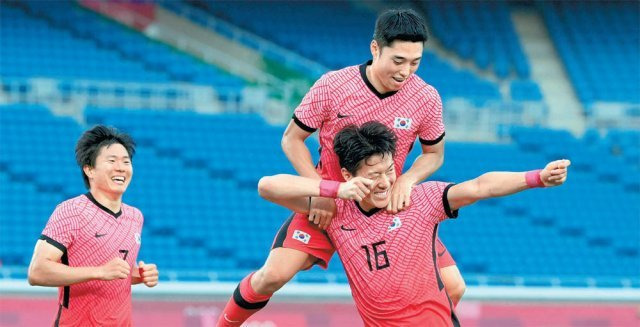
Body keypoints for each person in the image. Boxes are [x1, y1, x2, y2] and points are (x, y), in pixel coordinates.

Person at [217, 8, 464, 325]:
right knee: (272, 276)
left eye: (415, 62)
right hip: (330, 203)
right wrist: (320, 193)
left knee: (454, 286)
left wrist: (408, 181)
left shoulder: (426, 97)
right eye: (398, 61)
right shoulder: (333, 86)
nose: (406, 71)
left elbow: (434, 155)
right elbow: (292, 140)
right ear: (375, 48)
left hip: (382, 206)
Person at [257, 121, 570, 326]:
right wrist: (334, 190)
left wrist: (536, 178)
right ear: (350, 176)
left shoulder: (421, 199)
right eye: (373, 175)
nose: (384, 182)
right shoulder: (339, 211)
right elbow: (268, 186)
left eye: (389, 171)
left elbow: (479, 187)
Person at [27, 125, 159, 326]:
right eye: (112, 161)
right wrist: (99, 271)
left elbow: (114, 271)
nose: (121, 167)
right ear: (89, 169)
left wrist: (137, 275)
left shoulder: (135, 216)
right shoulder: (72, 211)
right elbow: (37, 272)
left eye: (126, 161)